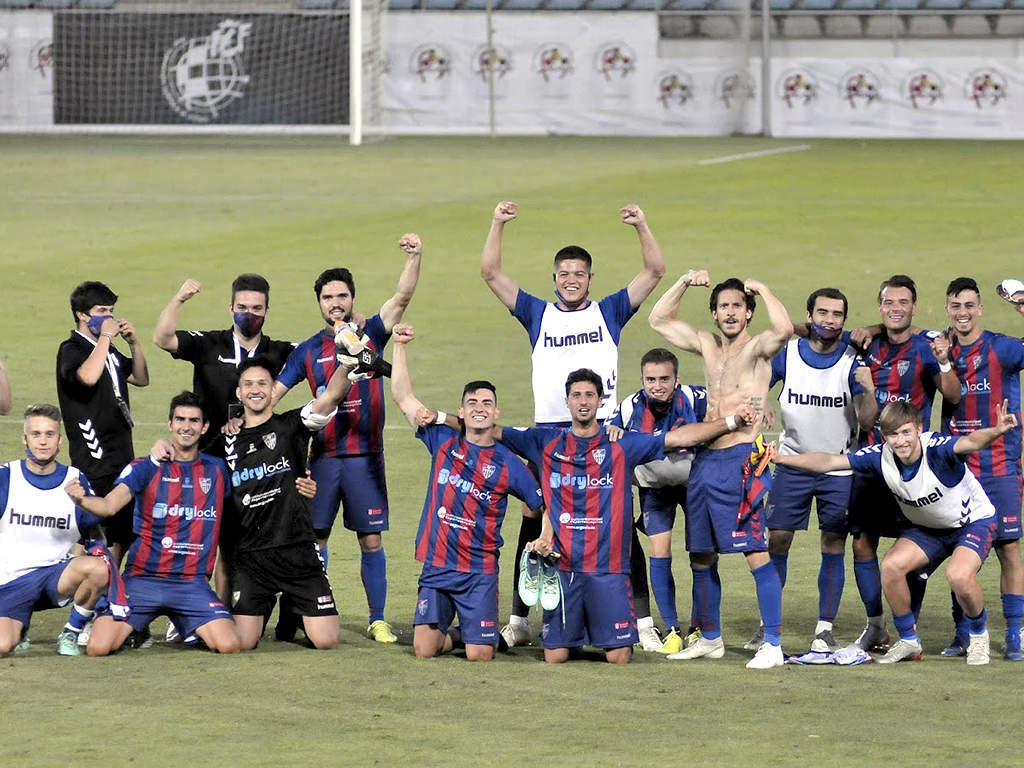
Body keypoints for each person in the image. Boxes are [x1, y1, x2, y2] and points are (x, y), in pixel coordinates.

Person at [480, 200, 666, 649]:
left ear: (590, 278)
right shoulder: (537, 314)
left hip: (603, 435)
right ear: (554, 279)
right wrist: (498, 223)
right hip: (550, 438)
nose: (570, 280)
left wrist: (641, 223)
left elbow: (655, 271)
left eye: (578, 273)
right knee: (535, 519)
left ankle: (642, 624)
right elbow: (490, 273)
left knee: (615, 522)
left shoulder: (609, 312)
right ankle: (519, 620)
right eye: (563, 273)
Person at [495, 368, 755, 665]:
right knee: (555, 656)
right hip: (565, 569)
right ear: (566, 401)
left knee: (619, 657)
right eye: (576, 395)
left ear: (600, 401)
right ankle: (579, 632)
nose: (583, 401)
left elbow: (678, 437)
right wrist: (438, 420)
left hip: (609, 571)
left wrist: (732, 421)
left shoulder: (621, 444)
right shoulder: (545, 442)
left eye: (590, 395)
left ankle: (594, 629)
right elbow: (494, 431)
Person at [774, 399, 1016, 666]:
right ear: (884, 436)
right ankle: (909, 640)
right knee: (891, 567)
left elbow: (970, 442)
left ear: (919, 429)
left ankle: (979, 635)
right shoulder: (879, 456)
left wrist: (996, 430)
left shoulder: (937, 449)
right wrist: (781, 458)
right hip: (928, 530)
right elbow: (829, 461)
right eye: (893, 434)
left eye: (906, 432)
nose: (900, 441)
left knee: (958, 576)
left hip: (972, 523)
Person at [274, 234, 423, 644]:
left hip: (365, 458)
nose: (334, 302)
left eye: (341, 295)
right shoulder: (306, 350)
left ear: (351, 298)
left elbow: (402, 296)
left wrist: (415, 256)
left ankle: (377, 619)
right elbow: (274, 395)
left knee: (371, 538)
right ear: (318, 303)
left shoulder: (372, 332)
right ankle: (316, 612)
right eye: (327, 297)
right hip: (322, 458)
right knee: (316, 538)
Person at [648, 270, 793, 669]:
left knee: (754, 552)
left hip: (741, 461)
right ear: (714, 313)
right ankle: (710, 637)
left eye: (737, 306)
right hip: (705, 462)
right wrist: (682, 282)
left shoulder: (759, 349)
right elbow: (658, 320)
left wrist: (762, 288)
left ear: (748, 313)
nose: (730, 313)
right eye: (723, 306)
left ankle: (774, 644)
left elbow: (782, 328)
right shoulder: (708, 346)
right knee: (700, 554)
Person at [390, 324, 545, 661]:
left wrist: (543, 539)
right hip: (438, 566)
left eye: (487, 403)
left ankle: (477, 635)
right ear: (460, 411)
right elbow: (403, 397)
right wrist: (400, 346)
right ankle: (463, 633)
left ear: (496, 413)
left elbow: (541, 502)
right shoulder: (442, 441)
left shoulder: (509, 465)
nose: (479, 407)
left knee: (480, 656)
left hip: (480, 571)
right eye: (472, 402)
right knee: (424, 650)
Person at [65, 392, 241, 656]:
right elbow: (109, 506)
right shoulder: (145, 467)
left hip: (191, 583)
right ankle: (138, 627)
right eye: (180, 419)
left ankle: (186, 624)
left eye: (194, 421)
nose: (186, 426)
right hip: (142, 579)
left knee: (230, 645)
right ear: (170, 423)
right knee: (98, 647)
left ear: (204, 427)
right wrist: (82, 499)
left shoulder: (217, 470)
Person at [756, 288, 878, 652]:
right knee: (776, 540)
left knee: (833, 543)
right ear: (809, 316)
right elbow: (760, 375)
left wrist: (869, 392)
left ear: (844, 320)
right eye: (822, 313)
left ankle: (824, 627)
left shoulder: (852, 361)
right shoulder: (789, 354)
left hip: (838, 468)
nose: (828, 320)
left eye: (836, 314)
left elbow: (868, 419)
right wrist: (761, 401)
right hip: (791, 462)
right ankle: (769, 625)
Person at [845, 274, 961, 651]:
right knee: (861, 542)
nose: (896, 309)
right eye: (889, 303)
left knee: (917, 551)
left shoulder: (928, 346)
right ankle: (875, 625)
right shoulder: (867, 341)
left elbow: (953, 395)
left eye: (903, 303)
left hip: (914, 466)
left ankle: (909, 628)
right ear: (880, 307)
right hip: (872, 461)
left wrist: (944, 363)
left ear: (914, 306)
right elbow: (815, 329)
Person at [212, 354, 356, 651]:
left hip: (298, 549)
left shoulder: (292, 425)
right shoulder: (226, 440)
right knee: (242, 641)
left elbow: (331, 397)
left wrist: (345, 363)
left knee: (327, 640)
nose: (256, 390)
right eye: (248, 384)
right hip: (253, 556)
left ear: (273, 390)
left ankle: (293, 606)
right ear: (238, 392)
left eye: (263, 383)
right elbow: (192, 458)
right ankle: (268, 606)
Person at [939, 277, 1024, 660]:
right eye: (956, 306)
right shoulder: (938, 349)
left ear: (980, 309)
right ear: (947, 309)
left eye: (970, 305)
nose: (963, 313)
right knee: (957, 549)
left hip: (1001, 465)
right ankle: (964, 633)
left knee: (1009, 549)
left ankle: (1015, 632)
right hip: (957, 471)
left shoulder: (1001, 348)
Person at [606, 348, 709, 654]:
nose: (657, 385)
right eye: (650, 379)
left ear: (676, 379)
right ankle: (672, 629)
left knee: (701, 557)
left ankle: (698, 628)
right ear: (641, 379)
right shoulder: (628, 408)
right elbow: (611, 436)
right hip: (655, 490)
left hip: (695, 487)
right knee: (659, 553)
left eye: (664, 378)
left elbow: (725, 412)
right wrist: (615, 432)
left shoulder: (696, 398)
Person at [0, 405, 112, 657]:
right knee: (3, 646)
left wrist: (98, 554)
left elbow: (95, 529)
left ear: (60, 440)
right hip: (10, 581)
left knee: (97, 568)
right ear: (25, 438)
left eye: (50, 434)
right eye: (36, 434)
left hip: (55, 577)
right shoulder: (6, 477)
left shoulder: (75, 480)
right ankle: (20, 626)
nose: (43, 441)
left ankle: (71, 632)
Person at [56, 281, 149, 563]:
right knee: (97, 536)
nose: (108, 317)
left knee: (121, 532)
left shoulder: (104, 348)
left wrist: (134, 344)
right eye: (101, 310)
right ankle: (87, 602)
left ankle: (104, 596)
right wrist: (107, 339)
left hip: (120, 451)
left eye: (111, 310)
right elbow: (87, 377)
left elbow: (141, 378)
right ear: (82, 314)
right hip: (94, 455)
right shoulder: (72, 349)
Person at [152, 274, 296, 450]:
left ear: (266, 310)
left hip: (256, 453)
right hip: (209, 450)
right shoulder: (207, 343)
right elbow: (162, 339)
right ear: (231, 309)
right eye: (242, 308)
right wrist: (179, 299)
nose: (249, 314)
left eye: (256, 308)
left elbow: (316, 351)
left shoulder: (278, 351)